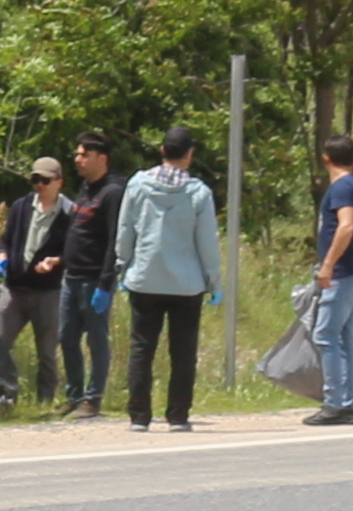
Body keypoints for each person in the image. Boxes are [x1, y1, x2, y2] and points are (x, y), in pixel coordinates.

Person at [115, 123, 226, 430]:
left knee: (141, 348)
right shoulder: (198, 193)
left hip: (145, 277)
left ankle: (139, 416)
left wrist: (122, 265)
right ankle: (177, 415)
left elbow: (126, 229)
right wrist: (213, 281)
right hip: (186, 284)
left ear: (162, 150)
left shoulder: (138, 185)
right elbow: (207, 241)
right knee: (183, 351)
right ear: (189, 155)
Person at [305, 133, 353, 423]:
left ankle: (336, 403)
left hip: (342, 273)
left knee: (325, 334)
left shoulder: (342, 189)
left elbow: (346, 227)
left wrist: (328, 265)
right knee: (344, 335)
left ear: (326, 159)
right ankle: (348, 399)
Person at [54, 133, 125, 419]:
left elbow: (114, 240)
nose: (77, 160)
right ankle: (74, 394)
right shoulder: (86, 188)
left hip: (95, 280)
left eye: (84, 154)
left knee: (96, 340)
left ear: (102, 158)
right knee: (66, 337)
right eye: (77, 154)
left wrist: (106, 284)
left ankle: (93, 399)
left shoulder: (113, 192)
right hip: (72, 278)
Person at [3, 156, 74, 410]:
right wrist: (3, 258)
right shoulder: (21, 206)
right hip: (14, 287)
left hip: (47, 291)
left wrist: (56, 262)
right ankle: (2, 397)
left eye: (45, 180)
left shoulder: (69, 213)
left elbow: (74, 251)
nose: (40, 185)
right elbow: (6, 239)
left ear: (59, 182)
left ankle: (44, 401)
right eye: (36, 180)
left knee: (46, 352)